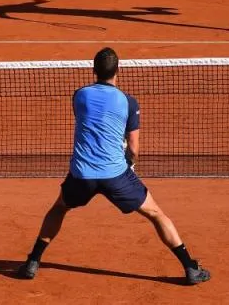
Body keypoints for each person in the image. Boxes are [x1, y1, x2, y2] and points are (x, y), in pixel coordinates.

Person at [17, 47, 210, 286]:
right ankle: (190, 267)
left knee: (58, 209)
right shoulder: (128, 102)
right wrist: (129, 162)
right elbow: (134, 147)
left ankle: (33, 262)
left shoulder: (80, 95)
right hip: (116, 176)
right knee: (156, 215)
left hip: (82, 176)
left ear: (93, 70)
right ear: (118, 71)